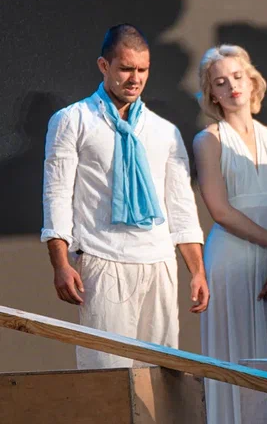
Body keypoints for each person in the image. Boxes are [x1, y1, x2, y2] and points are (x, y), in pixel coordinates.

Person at [42, 23, 209, 369]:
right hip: (103, 259)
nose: (135, 79)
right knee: (105, 372)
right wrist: (60, 264)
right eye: (126, 69)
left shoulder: (165, 131)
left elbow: (181, 206)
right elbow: (56, 194)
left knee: (161, 374)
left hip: (159, 262)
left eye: (143, 70)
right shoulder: (72, 120)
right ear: (104, 66)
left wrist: (197, 271)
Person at [192, 44, 267, 424]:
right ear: (212, 94)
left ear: (252, 80)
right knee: (235, 357)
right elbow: (220, 211)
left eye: (237, 76)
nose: (232, 86)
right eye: (220, 82)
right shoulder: (208, 140)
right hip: (231, 263)